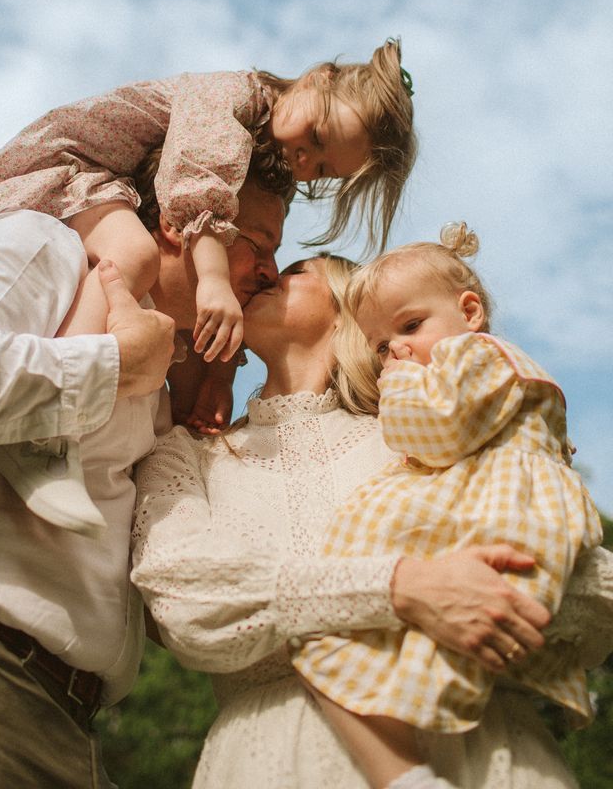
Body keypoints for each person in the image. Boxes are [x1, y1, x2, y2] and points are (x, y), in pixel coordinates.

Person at [131, 254, 613, 789]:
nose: (266, 273)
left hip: (481, 748)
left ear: (350, 313)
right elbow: (184, 600)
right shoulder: (185, 455)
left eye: (295, 270)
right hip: (272, 761)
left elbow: (582, 585)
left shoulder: (431, 434)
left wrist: (504, 590)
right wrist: (398, 587)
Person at [0, 166, 287, 788]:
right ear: (180, 225)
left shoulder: (164, 388)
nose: (270, 273)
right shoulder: (45, 247)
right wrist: (113, 365)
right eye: (257, 244)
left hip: (67, 723)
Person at [0, 41, 416, 535]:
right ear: (318, 78)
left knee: (167, 298)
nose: (306, 161)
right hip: (68, 169)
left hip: (121, 192)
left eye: (322, 168)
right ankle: (45, 432)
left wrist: (216, 378)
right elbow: (197, 181)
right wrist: (214, 278)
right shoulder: (231, 95)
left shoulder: (271, 152)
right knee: (135, 255)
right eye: (319, 137)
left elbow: (218, 282)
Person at [292, 225, 602, 789]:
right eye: (383, 346)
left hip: (507, 513)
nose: (398, 350)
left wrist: (403, 385)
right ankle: (414, 770)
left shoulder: (476, 355)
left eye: (410, 327)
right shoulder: (467, 368)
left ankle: (414, 770)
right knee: (345, 654)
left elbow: (434, 433)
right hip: (494, 503)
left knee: (417, 651)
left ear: (470, 311)